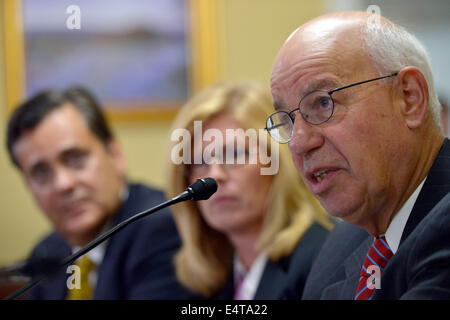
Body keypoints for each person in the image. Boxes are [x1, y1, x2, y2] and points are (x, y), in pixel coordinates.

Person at [266, 11, 450, 299]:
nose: (299, 142)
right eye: (287, 120)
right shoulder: (340, 246)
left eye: (323, 103)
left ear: (409, 98)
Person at [6, 87, 193, 299]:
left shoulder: (162, 228)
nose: (63, 184)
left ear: (115, 155)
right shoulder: (49, 253)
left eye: (75, 159)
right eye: (41, 173)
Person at [165, 82, 333, 300]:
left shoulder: (320, 261)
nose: (215, 175)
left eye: (235, 154)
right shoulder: (215, 278)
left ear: (277, 161)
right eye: (199, 162)